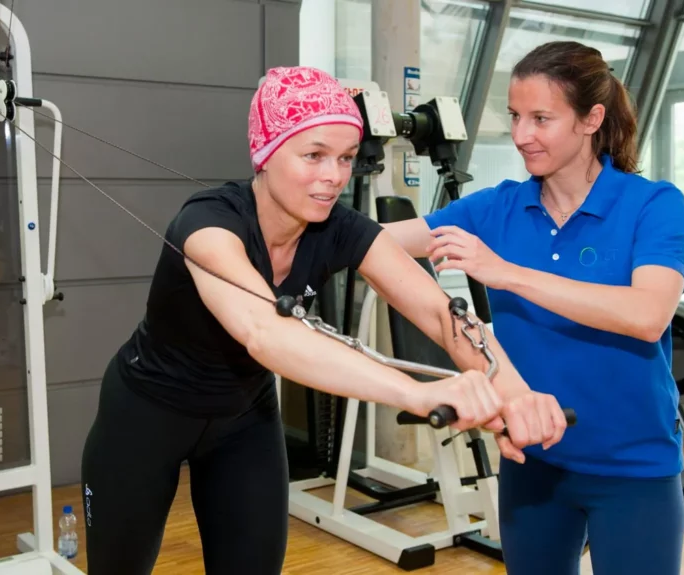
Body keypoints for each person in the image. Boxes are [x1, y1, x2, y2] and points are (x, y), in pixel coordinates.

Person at [78, 66, 569, 575]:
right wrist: (416, 393)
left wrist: (516, 396)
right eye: (313, 155)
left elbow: (441, 315)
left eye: (345, 158)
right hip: (147, 413)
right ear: (265, 152)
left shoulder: (341, 228)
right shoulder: (208, 224)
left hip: (243, 420)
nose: (333, 176)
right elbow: (264, 332)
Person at [385, 41, 684, 575]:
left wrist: (506, 273)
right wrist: (297, 202)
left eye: (541, 119)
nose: (522, 134)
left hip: (633, 465)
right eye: (515, 116)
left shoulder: (653, 204)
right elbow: (378, 244)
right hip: (532, 457)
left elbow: (647, 316)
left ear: (591, 119)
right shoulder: (497, 207)